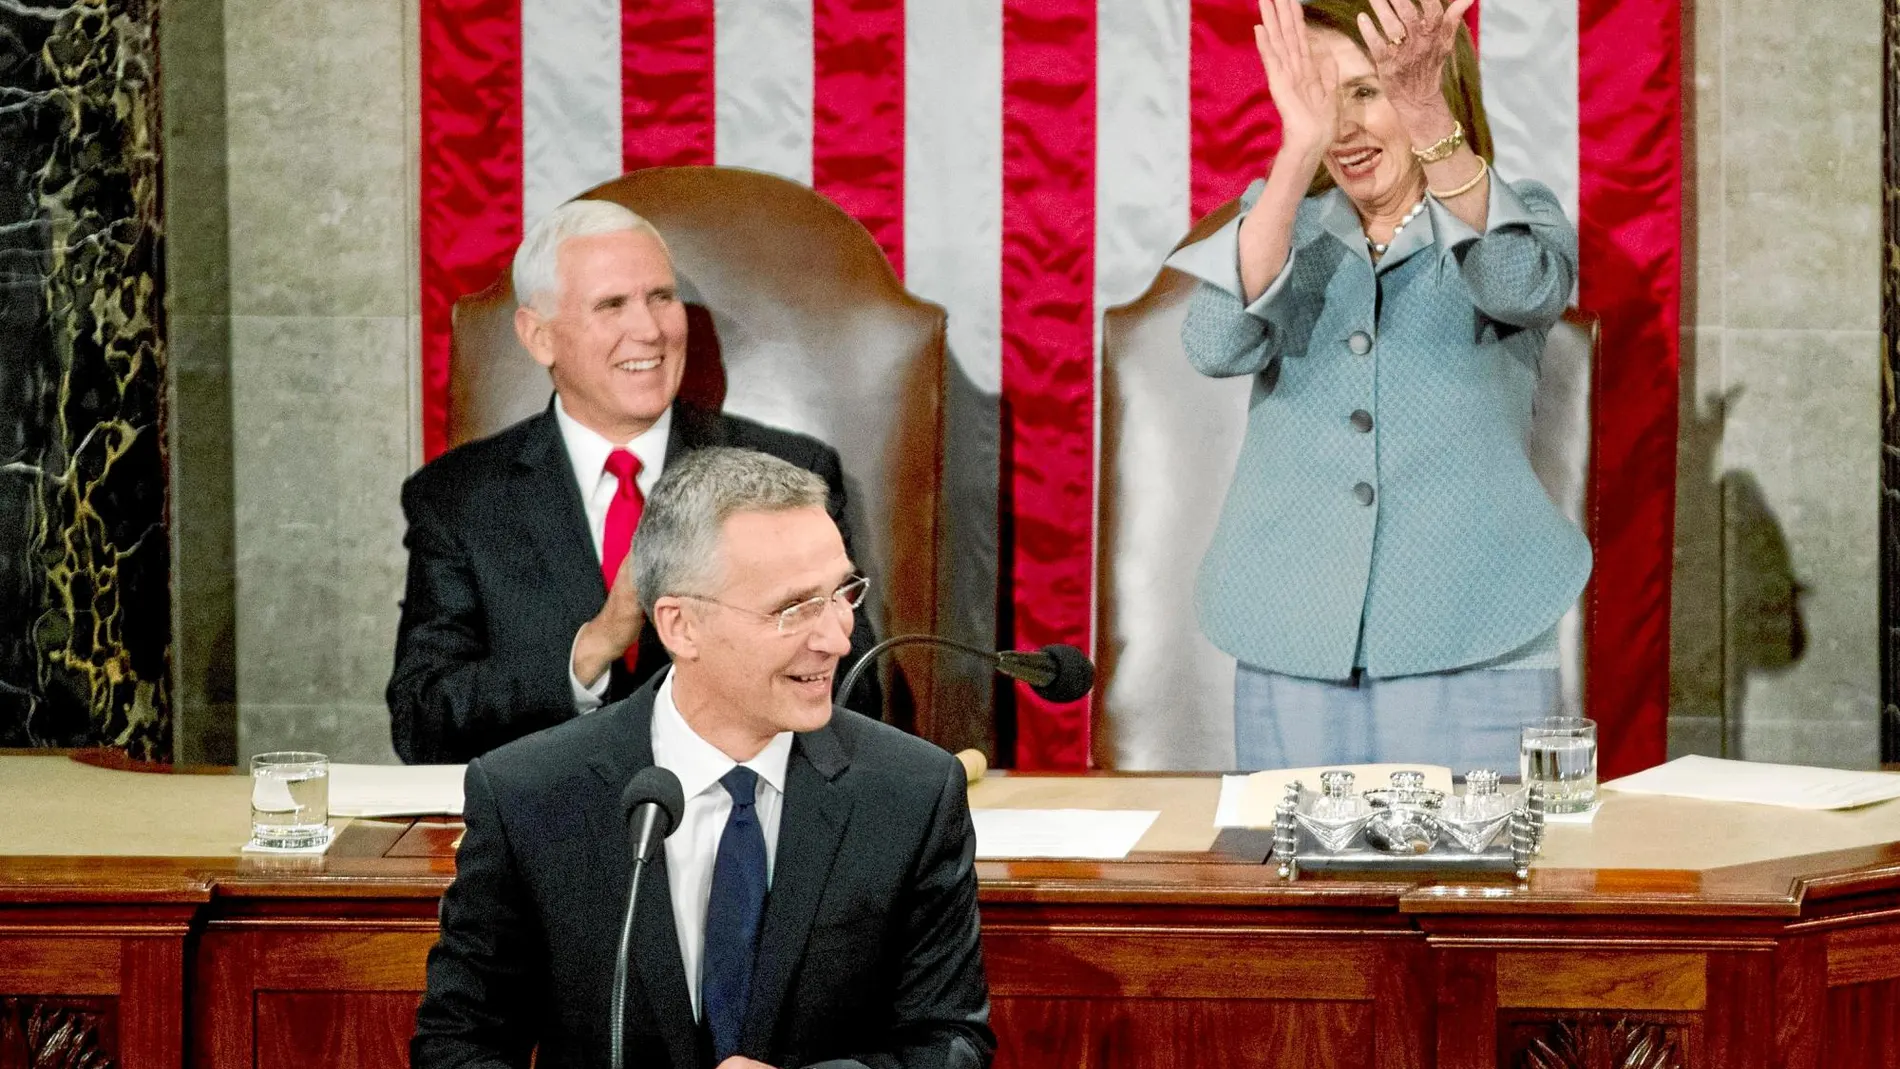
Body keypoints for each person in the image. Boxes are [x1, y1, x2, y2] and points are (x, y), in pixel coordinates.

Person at [411, 447, 994, 1069]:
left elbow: (951, 1042)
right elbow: (457, 1046)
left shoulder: (914, 791)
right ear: (681, 626)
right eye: (792, 608)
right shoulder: (528, 792)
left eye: (841, 594)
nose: (836, 638)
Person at [1167, 0, 1587, 772]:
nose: (1346, 127)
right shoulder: (1281, 222)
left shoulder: (1514, 215)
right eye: (1323, 97)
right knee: (1302, 892)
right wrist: (1297, 153)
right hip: (1294, 640)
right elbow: (1214, 343)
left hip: (1476, 634)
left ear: (1434, 82)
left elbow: (1521, 285)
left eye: (1366, 91)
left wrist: (1425, 115)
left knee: (1472, 890)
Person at [388, 200, 879, 765]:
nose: (648, 330)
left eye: (661, 298)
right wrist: (596, 645)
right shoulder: (459, 498)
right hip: (549, 822)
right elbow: (422, 722)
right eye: (612, 305)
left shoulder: (789, 471)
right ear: (539, 336)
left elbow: (856, 695)